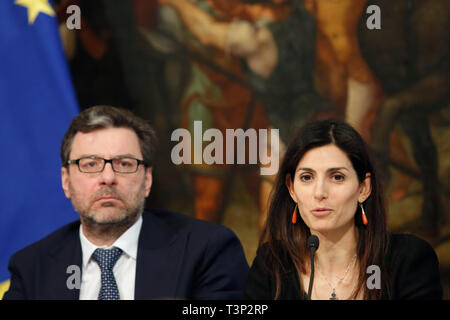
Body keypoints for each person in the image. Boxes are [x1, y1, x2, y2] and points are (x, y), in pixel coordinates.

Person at [4, 105, 249, 300]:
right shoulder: (32, 268)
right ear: (66, 181)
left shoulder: (207, 250)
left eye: (124, 164)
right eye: (90, 164)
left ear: (147, 180)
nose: (108, 178)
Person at [244, 120, 442, 300]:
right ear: (292, 189)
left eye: (337, 177)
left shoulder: (407, 260)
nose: (319, 192)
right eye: (306, 177)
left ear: (363, 188)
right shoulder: (271, 265)